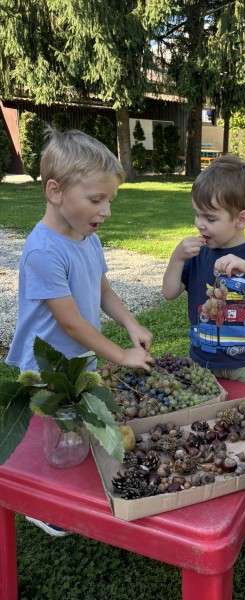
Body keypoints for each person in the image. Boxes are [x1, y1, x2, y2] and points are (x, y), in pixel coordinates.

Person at [6, 127, 154, 535]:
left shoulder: (87, 238)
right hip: (48, 365)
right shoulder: (43, 251)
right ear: (55, 192)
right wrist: (121, 355)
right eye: (96, 199)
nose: (106, 211)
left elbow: (103, 291)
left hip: (78, 357)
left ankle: (69, 487)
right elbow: (69, 322)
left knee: (75, 430)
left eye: (110, 200)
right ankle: (43, 506)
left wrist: (131, 323)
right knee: (56, 433)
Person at [162, 154, 245, 385]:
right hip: (200, 363)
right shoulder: (197, 255)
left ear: (241, 220)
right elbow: (169, 293)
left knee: (244, 407)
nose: (199, 223)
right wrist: (176, 259)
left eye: (210, 218)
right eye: (197, 214)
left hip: (244, 366)